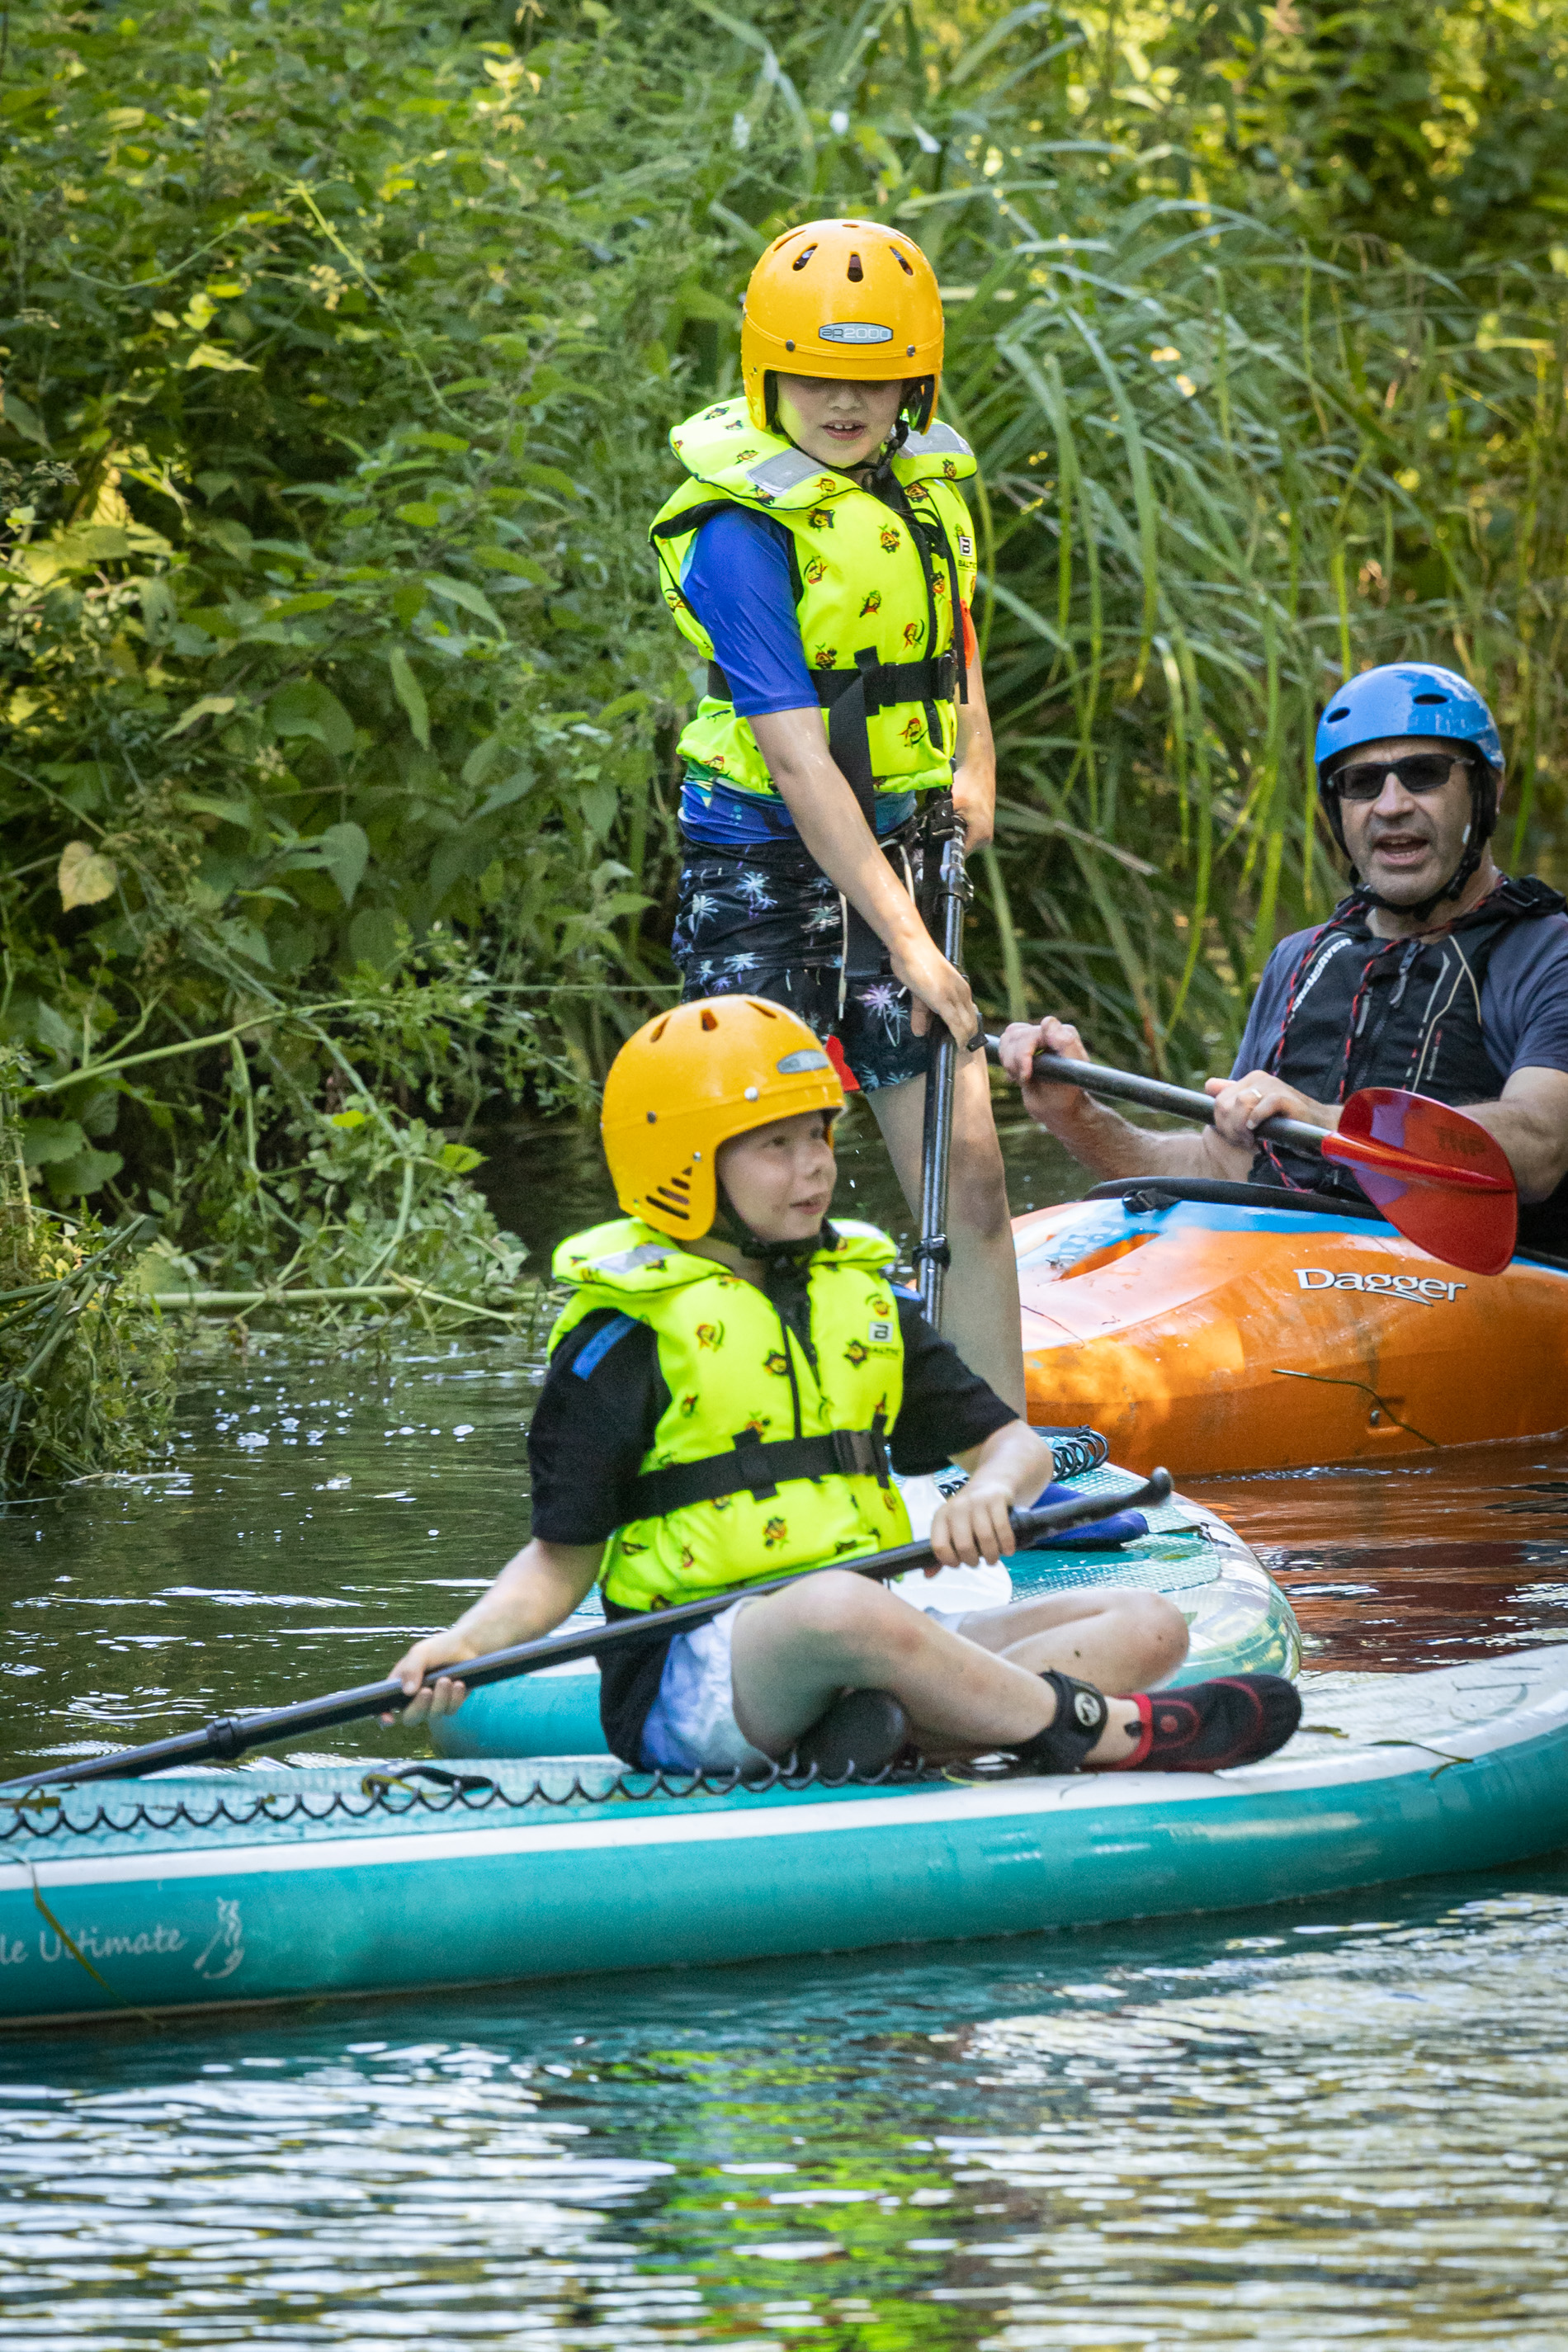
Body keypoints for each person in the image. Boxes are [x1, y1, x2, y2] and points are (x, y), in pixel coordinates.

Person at [388, 997, 1299, 1779]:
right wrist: (465, 1643)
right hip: (699, 1684)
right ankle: (1096, 1732)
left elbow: (1013, 1447)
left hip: (869, 1639)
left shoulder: (862, 1304)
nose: (816, 1164)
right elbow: (558, 1565)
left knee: (1145, 1624)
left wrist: (990, 1492)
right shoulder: (621, 1343)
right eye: (776, 1145)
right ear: (683, 1165)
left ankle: (882, 1737)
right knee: (836, 1605)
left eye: (819, 1134)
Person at [647, 215, 1025, 1409]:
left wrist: (975, 762)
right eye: (814, 375)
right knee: (746, 1188)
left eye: (874, 379)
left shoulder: (924, 491)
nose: (845, 403)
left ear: (915, 383)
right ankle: (731, 1443)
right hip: (761, 869)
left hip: (900, 845)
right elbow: (799, 760)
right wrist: (909, 942)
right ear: (767, 374)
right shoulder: (737, 530)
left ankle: (999, 1452)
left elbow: (951, 630)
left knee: (967, 1179)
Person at [1000, 664, 1568, 1254]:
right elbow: (1219, 1167)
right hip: (1288, 1270)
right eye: (1362, 783)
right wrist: (1077, 1114)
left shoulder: (1548, 953)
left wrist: (1327, 1122)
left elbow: (1542, 1144)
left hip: (1479, 1283)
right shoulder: (1301, 959)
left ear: (1486, 791)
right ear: (1337, 808)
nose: (1392, 805)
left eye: (1424, 775)